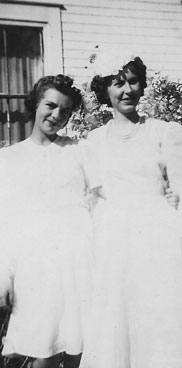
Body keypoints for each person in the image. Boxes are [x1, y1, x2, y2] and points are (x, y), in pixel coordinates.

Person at [80, 48, 182, 368]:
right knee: (118, 327)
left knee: (165, 326)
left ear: (142, 86)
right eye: (118, 82)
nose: (127, 89)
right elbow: (94, 197)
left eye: (133, 81)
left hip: (158, 238)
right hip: (115, 244)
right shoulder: (94, 141)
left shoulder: (164, 133)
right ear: (105, 89)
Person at [0, 74, 101, 368]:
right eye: (50, 105)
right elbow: (5, 220)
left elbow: (102, 197)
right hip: (35, 265)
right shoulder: (8, 159)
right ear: (36, 104)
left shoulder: (78, 151)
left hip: (79, 259)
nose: (57, 115)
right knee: (43, 349)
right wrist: (4, 274)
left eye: (66, 111)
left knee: (78, 348)